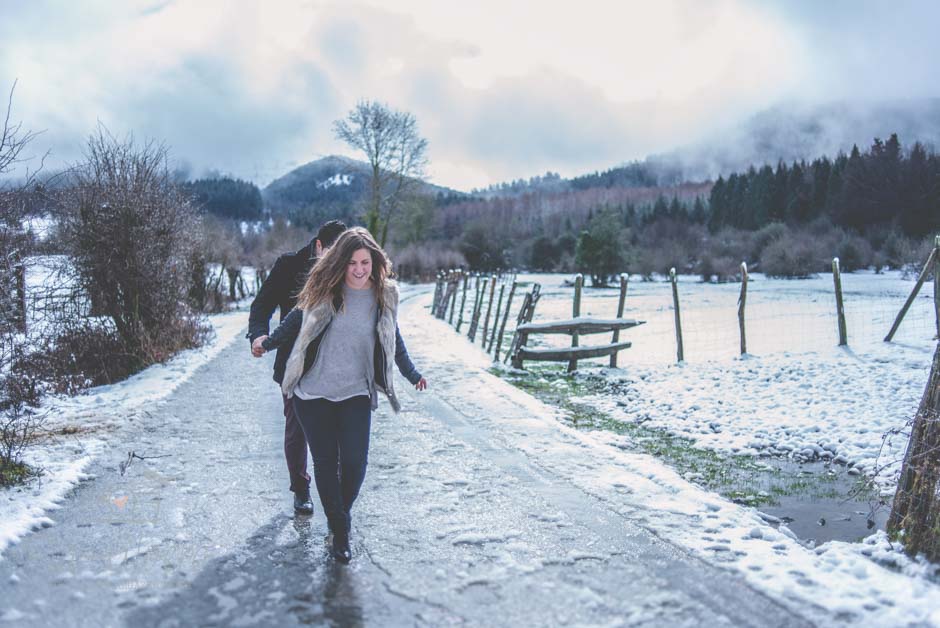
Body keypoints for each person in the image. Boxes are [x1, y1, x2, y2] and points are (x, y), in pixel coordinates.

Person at [253, 227, 427, 563]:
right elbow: (293, 322)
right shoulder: (324, 291)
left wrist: (412, 374)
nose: (359, 269)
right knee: (325, 462)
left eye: (365, 262)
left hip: (355, 393)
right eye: (352, 263)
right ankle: (340, 532)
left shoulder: (383, 296)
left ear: (374, 262)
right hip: (312, 393)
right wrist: (266, 342)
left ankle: (338, 516)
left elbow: (394, 340)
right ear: (340, 264)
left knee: (355, 463)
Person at [247, 220, 347, 515]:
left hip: (335, 365)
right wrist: (259, 335)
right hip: (294, 363)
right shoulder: (289, 266)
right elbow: (261, 306)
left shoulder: (347, 269)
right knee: (297, 430)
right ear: (318, 245)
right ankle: (301, 489)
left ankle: (336, 492)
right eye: (331, 252)